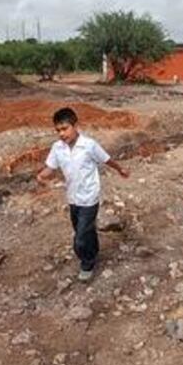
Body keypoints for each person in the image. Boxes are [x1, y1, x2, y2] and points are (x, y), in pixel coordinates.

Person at [37, 107, 129, 282]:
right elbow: (51, 167)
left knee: (80, 238)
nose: (61, 134)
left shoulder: (89, 145)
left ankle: (87, 263)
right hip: (72, 197)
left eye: (65, 128)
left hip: (89, 197)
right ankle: (93, 252)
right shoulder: (57, 148)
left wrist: (120, 169)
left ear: (75, 125)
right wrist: (42, 175)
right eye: (58, 130)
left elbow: (106, 159)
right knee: (84, 230)